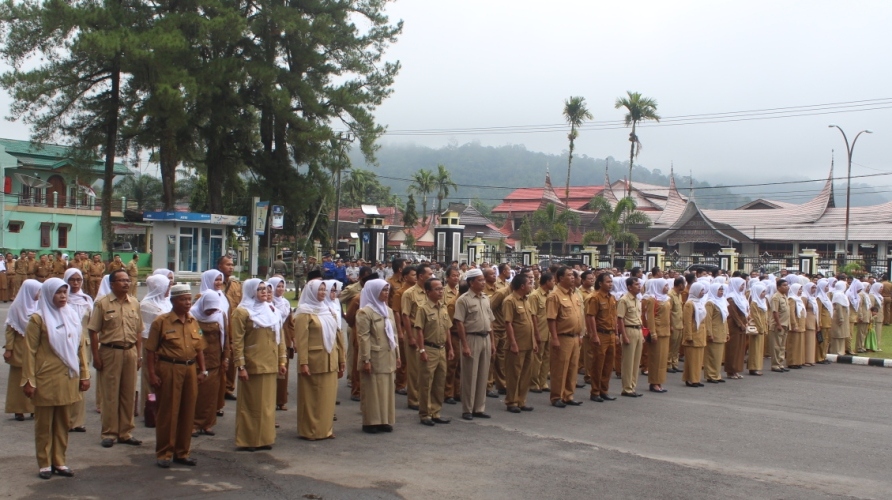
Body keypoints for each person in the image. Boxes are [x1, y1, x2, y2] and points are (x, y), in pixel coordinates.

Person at [21, 278, 90, 479]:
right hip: (45, 378)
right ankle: (44, 463)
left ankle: (59, 461)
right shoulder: (38, 319)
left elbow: (79, 350)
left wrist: (84, 375)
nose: (62, 296)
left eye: (64, 292)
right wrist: (28, 380)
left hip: (68, 377)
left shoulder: (71, 316)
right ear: (49, 294)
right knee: (44, 424)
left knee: (62, 423)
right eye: (58, 293)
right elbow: (29, 352)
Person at [145, 284, 208, 468]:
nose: (188, 303)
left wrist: (203, 370)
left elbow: (199, 349)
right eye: (183, 299)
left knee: (188, 412)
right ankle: (165, 452)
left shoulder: (193, 321)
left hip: (190, 370)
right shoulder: (161, 322)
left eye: (189, 299)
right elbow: (150, 351)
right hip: (169, 368)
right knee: (169, 412)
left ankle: (182, 452)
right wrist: (152, 374)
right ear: (173, 301)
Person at [88, 269, 143, 448]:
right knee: (110, 393)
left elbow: (139, 331)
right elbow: (93, 330)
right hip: (110, 351)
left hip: (130, 351)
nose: (126, 283)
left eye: (128, 280)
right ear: (112, 284)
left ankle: (125, 432)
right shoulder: (102, 304)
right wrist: (96, 356)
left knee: (128, 393)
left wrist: (139, 354)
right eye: (122, 281)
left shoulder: (134, 303)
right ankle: (109, 432)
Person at [231, 279, 286, 450]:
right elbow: (237, 341)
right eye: (259, 289)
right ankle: (248, 440)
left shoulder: (271, 309)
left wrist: (282, 360)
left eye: (266, 289)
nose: (264, 292)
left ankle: (264, 438)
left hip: (270, 363)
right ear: (251, 291)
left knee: (267, 405)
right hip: (252, 364)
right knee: (251, 404)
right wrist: (240, 366)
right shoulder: (241, 312)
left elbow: (280, 337)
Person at [295, 280, 344, 440]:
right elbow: (301, 341)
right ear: (311, 292)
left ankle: (325, 429)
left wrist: (341, 359)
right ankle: (310, 431)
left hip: (330, 359)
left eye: (324, 290)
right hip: (313, 360)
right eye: (319, 290)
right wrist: (303, 362)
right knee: (311, 397)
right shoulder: (304, 312)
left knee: (327, 397)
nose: (322, 293)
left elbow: (338, 336)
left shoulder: (328, 310)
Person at [355, 279, 400, 433]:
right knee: (373, 389)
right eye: (383, 290)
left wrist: (398, 355)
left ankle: (384, 420)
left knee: (386, 388)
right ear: (374, 291)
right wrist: (365, 359)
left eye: (387, 290)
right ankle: (371, 422)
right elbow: (364, 337)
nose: (386, 294)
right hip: (374, 355)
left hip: (388, 354)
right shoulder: (364, 312)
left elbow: (393, 335)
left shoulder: (388, 310)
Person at [453, 268, 495, 421]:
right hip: (471, 338)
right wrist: (464, 345)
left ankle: (479, 408)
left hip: (485, 338)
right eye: (480, 280)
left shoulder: (486, 298)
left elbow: (490, 321)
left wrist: (493, 341)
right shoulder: (463, 300)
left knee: (483, 374)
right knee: (470, 375)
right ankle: (467, 409)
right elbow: (459, 323)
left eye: (484, 280)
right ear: (471, 282)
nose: (483, 283)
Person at [413, 277, 454, 426]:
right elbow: (419, 331)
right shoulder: (423, 309)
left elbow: (447, 329)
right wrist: (422, 349)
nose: (440, 291)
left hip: (441, 349)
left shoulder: (443, 307)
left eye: (441, 288)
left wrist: (450, 348)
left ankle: (436, 412)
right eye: (437, 289)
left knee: (439, 382)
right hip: (429, 349)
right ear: (428, 291)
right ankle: (425, 414)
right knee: (426, 383)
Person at [547, 267, 584, 407]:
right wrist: (555, 338)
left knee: (572, 368)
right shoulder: (554, 296)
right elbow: (551, 319)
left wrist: (580, 334)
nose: (573, 277)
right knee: (560, 368)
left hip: (574, 337)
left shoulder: (574, 294)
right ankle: (557, 396)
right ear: (561, 278)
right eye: (569, 275)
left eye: (573, 275)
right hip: (562, 337)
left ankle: (568, 395)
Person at [5, 279, 41, 421]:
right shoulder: (16, 307)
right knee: (17, 380)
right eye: (38, 291)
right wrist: (9, 349)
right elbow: (10, 330)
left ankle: (33, 408)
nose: (39, 294)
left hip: (36, 348)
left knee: (35, 378)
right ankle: (18, 409)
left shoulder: (39, 305)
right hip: (20, 348)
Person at [502, 273, 538, 413]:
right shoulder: (510, 301)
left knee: (525, 374)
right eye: (529, 283)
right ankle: (511, 401)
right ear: (522, 286)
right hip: (516, 344)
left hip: (528, 343)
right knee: (514, 374)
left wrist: (534, 341)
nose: (531, 285)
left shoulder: (526, 300)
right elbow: (508, 323)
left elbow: (529, 322)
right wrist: (513, 343)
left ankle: (521, 401)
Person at [64, 269, 93, 432]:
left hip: (84, 345)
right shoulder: (62, 299)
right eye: (72, 280)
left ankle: (77, 420)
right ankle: (65, 418)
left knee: (82, 379)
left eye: (78, 280)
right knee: (67, 379)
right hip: (65, 344)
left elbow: (93, 324)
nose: (75, 283)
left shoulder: (87, 300)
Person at [139, 275, 172, 416]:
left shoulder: (166, 302)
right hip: (150, 343)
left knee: (163, 377)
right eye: (166, 286)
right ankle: (149, 409)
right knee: (150, 376)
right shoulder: (146, 305)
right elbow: (146, 329)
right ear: (158, 287)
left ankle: (162, 409)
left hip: (166, 344)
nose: (168, 289)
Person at [401, 264, 432, 410]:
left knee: (427, 367)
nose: (431, 276)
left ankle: (425, 397)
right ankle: (413, 399)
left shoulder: (431, 291)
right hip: (414, 331)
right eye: (429, 274)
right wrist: (411, 337)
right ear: (421, 276)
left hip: (428, 332)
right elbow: (405, 316)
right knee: (414, 368)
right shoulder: (409, 293)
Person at [584, 272, 618, 402]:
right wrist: (594, 335)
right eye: (608, 282)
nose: (610, 284)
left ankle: (604, 390)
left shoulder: (611, 298)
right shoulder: (595, 298)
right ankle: (595, 391)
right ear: (600, 283)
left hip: (610, 334)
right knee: (598, 364)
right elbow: (590, 316)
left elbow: (613, 317)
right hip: (600, 333)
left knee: (608, 365)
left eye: (611, 282)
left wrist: (616, 333)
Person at [267, 277, 294, 411]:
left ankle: (281, 400)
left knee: (283, 372)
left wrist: (292, 340)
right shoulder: (267, 303)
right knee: (272, 372)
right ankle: (270, 400)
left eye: (282, 286)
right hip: (272, 339)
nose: (281, 289)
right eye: (278, 286)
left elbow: (290, 323)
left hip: (285, 338)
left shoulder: (286, 303)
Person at [617, 276, 644, 398]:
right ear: (629, 287)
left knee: (636, 361)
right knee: (628, 361)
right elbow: (620, 319)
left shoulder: (638, 300)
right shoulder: (624, 300)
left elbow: (639, 317)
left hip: (638, 330)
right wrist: (624, 335)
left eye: (639, 284)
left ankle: (633, 386)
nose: (639, 286)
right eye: (636, 284)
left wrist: (642, 334)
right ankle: (626, 388)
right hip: (629, 330)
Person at [644, 278, 671, 392]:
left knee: (663, 359)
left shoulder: (666, 299)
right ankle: (654, 382)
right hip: (658, 332)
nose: (667, 288)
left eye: (667, 286)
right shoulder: (652, 299)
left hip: (665, 332)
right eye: (664, 286)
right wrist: (653, 333)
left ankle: (660, 381)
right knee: (656, 358)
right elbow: (649, 318)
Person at [529, 272, 553, 394]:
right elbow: (532, 315)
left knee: (547, 358)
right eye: (552, 281)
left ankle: (543, 382)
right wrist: (536, 333)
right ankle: (534, 383)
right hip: (540, 330)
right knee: (537, 358)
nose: (554, 283)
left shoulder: (550, 295)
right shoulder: (535, 296)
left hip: (549, 332)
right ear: (547, 282)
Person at [682, 282, 708, 387]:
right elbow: (687, 321)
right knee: (692, 358)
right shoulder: (689, 304)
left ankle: (695, 378)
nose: (702, 293)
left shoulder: (700, 302)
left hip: (700, 333)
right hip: (693, 333)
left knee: (698, 358)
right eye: (701, 290)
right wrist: (689, 336)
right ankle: (691, 379)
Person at [723, 277, 749, 380]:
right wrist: (740, 324)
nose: (743, 287)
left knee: (740, 348)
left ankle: (737, 370)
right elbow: (733, 314)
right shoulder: (731, 298)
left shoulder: (741, 297)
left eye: (744, 285)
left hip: (742, 326)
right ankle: (731, 371)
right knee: (733, 348)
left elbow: (745, 311)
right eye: (741, 285)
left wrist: (745, 323)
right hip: (734, 326)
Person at [703, 283, 729, 383]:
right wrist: (709, 333)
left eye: (722, 290)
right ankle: (710, 375)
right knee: (712, 354)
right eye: (719, 290)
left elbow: (725, 319)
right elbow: (707, 319)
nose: (721, 292)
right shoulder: (710, 303)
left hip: (721, 331)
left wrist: (727, 332)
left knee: (718, 355)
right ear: (714, 290)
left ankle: (717, 374)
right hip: (714, 332)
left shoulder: (722, 301)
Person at [769, 279, 791, 372]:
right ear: (778, 287)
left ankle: (780, 363)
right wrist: (778, 324)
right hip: (779, 324)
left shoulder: (785, 296)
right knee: (776, 346)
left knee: (782, 346)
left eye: (787, 285)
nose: (787, 287)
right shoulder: (776, 297)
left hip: (785, 324)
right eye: (784, 285)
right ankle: (775, 364)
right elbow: (775, 311)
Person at [786, 283, 807, 369]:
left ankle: (798, 361)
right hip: (795, 325)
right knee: (793, 344)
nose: (801, 291)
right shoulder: (792, 299)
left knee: (799, 344)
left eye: (801, 289)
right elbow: (791, 313)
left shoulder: (799, 299)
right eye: (799, 289)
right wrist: (794, 324)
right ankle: (792, 362)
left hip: (801, 325)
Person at [868, 282, 884, 352]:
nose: (881, 289)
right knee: (874, 332)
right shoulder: (872, 296)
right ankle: (873, 346)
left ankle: (877, 345)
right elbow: (871, 307)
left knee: (878, 332)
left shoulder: (879, 296)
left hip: (880, 317)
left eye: (882, 287)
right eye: (880, 287)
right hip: (874, 318)